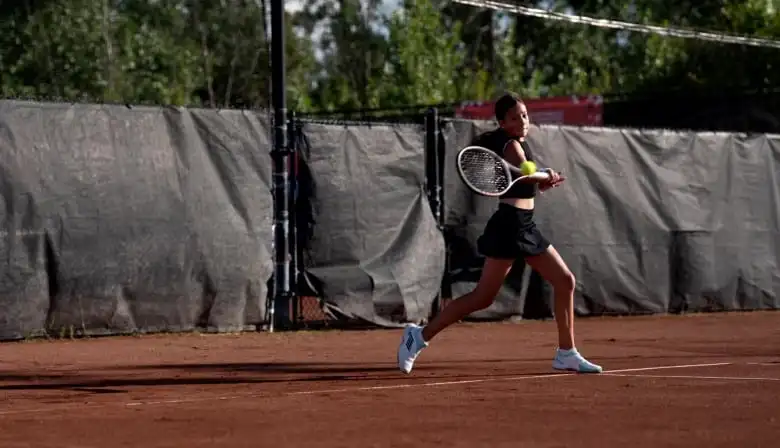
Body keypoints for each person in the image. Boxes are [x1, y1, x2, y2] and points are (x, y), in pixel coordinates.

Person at [397, 92, 603, 375]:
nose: (523, 121)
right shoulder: (511, 145)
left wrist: (541, 181)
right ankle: (417, 337)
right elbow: (525, 173)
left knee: (554, 283)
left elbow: (524, 181)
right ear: (503, 122)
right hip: (511, 226)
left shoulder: (519, 144)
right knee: (489, 296)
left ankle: (566, 353)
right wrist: (543, 175)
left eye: (525, 115)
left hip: (522, 224)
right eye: (515, 117)